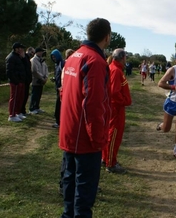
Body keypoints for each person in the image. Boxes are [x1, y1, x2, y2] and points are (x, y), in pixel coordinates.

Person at [59, 18, 112, 218]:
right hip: (85, 140)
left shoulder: (73, 57)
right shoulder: (95, 62)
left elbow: (63, 93)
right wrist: (98, 139)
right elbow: (93, 104)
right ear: (107, 37)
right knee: (83, 196)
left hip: (70, 133)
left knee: (69, 190)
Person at [102, 48, 132, 174]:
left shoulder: (116, 69)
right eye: (125, 57)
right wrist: (125, 100)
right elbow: (114, 92)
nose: (126, 60)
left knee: (112, 134)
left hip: (116, 108)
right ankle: (110, 163)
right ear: (122, 57)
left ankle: (106, 159)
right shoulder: (115, 70)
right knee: (113, 135)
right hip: (116, 109)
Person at [6, 42, 26, 122]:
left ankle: (17, 113)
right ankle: (11, 115)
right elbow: (9, 71)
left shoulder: (18, 57)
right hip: (15, 82)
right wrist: (16, 81)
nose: (21, 50)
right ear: (16, 49)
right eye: (20, 48)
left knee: (19, 98)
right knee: (14, 98)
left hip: (20, 81)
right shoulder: (11, 57)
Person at [29, 47, 48, 114]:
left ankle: (37, 107)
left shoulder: (42, 60)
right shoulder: (33, 60)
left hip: (42, 81)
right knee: (34, 95)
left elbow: (46, 68)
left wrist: (46, 77)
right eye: (40, 51)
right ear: (37, 52)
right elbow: (34, 71)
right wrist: (42, 78)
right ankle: (32, 108)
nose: (42, 53)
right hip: (35, 80)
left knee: (39, 95)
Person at [50, 49, 65, 129]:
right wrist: (54, 79)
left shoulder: (62, 63)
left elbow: (64, 76)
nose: (54, 58)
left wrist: (62, 86)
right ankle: (58, 121)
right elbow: (58, 75)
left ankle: (58, 122)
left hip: (62, 88)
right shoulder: (56, 64)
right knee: (59, 105)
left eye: (54, 56)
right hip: (58, 88)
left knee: (59, 105)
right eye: (52, 57)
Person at [20, 47, 35, 117]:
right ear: (28, 51)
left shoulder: (28, 59)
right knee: (23, 97)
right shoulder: (24, 58)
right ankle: (21, 111)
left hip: (27, 80)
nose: (32, 54)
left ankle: (23, 110)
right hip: (24, 81)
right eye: (32, 52)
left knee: (26, 96)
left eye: (33, 53)